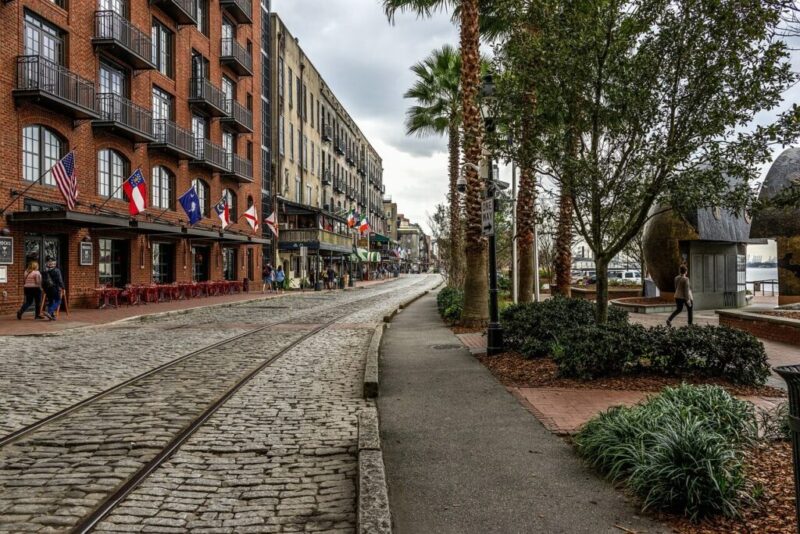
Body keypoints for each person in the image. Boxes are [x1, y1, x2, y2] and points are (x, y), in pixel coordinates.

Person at [42, 256, 65, 321]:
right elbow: (60, 280)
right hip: (54, 288)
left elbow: (42, 281)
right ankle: (49, 312)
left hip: (47, 289)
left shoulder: (44, 271)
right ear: (54, 264)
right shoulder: (57, 270)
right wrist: (63, 288)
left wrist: (44, 289)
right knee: (58, 301)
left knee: (51, 301)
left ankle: (51, 316)